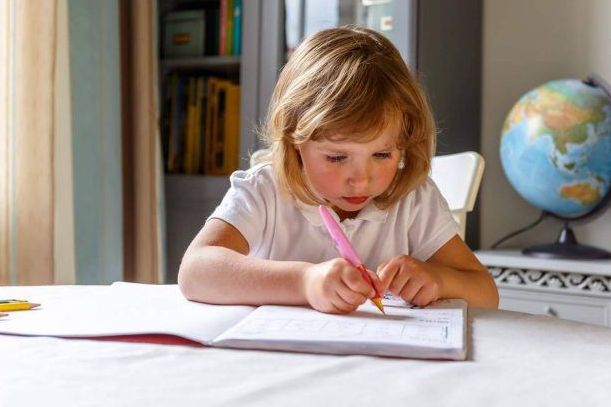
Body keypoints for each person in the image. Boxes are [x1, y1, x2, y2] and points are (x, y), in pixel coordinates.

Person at [178, 26, 498, 313]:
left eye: (382, 154)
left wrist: (438, 280)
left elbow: (486, 292)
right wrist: (304, 281)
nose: (361, 179)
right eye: (336, 158)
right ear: (295, 141)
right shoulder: (264, 189)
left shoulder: (414, 200)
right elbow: (195, 271)